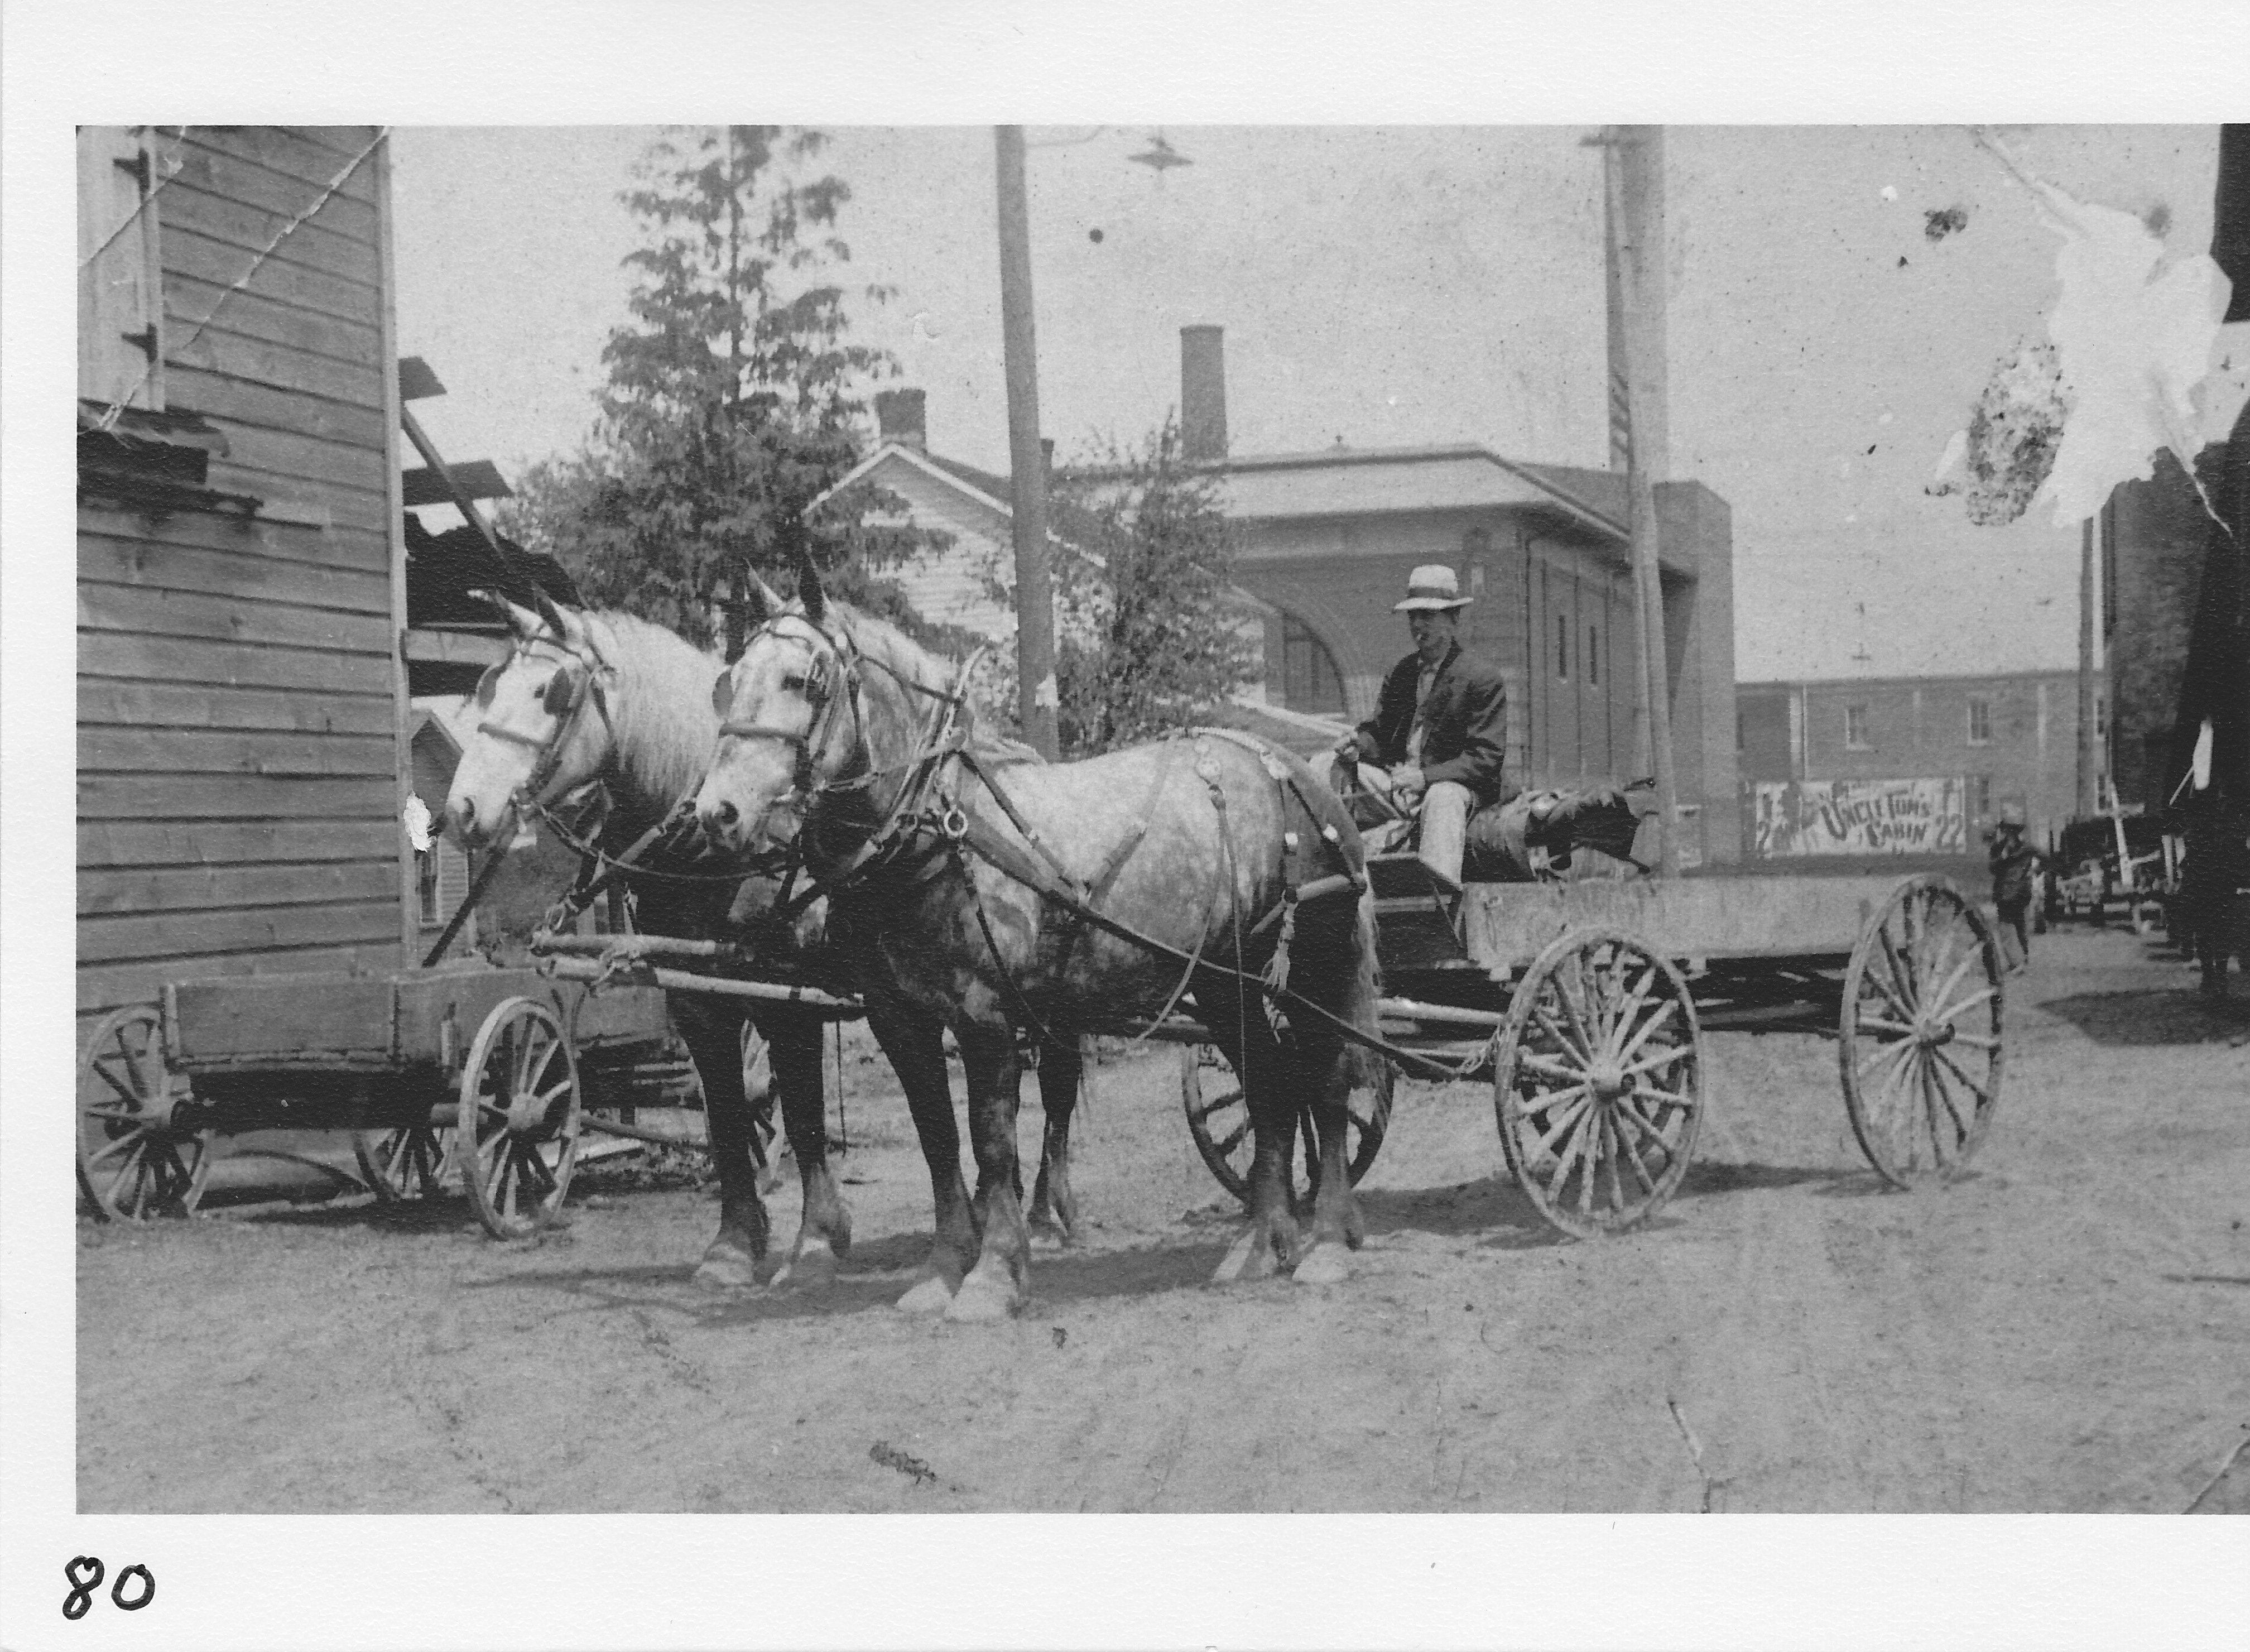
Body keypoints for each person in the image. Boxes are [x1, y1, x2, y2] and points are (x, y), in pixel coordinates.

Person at [1331, 564, 1510, 890]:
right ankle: (1329, 883)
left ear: (1453, 619)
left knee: (1442, 798)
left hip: (1455, 789)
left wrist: (1425, 778)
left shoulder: (1482, 678)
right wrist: (1360, 745)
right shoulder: (1402, 674)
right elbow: (1381, 735)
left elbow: (1486, 759)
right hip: (1399, 786)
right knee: (1328, 767)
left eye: (1428, 616)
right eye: (1413, 616)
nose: (1417, 625)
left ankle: (1436, 902)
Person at [1987, 808, 2037, 973]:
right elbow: (1993, 868)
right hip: (2017, 893)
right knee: (2019, 926)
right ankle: (2022, 960)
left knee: (2008, 928)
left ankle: (2017, 963)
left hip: (2011, 893)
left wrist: (2004, 858)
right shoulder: (2021, 847)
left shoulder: (2007, 849)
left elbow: (1993, 868)